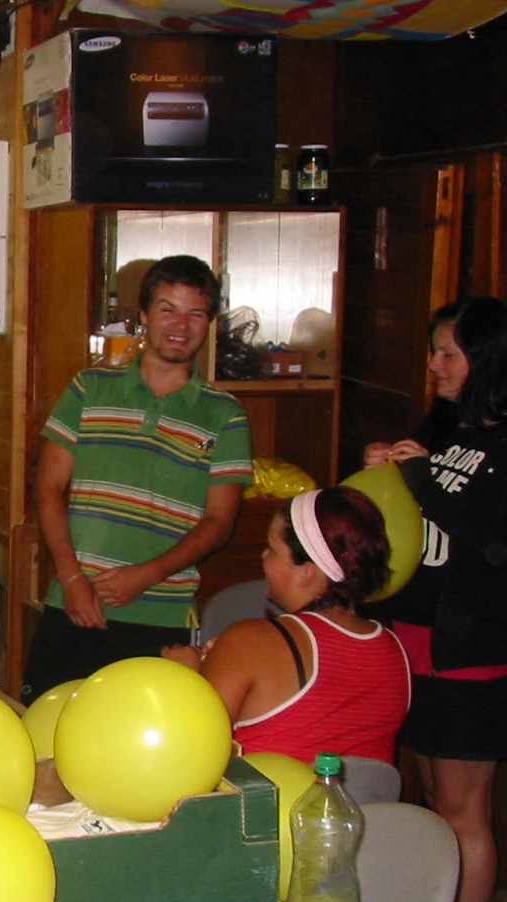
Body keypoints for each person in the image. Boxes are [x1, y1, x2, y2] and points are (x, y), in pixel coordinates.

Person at [22, 255, 252, 702]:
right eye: (168, 310)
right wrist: (72, 580)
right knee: (44, 726)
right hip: (73, 603)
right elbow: (47, 487)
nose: (180, 326)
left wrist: (148, 575)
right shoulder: (89, 387)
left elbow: (220, 522)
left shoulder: (226, 415)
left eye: (195, 314)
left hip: (160, 618)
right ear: (144, 315)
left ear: (209, 323)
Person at [363, 295, 507, 902]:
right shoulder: (446, 427)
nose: (434, 365)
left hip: (470, 653)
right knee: (430, 803)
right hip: (415, 643)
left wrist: (419, 477)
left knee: (462, 811)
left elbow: (488, 536)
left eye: (448, 353)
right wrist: (383, 471)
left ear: (486, 360)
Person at [163, 488, 409, 763]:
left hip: (277, 792)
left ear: (307, 573)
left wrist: (185, 678)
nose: (263, 556)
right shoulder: (395, 649)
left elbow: (187, 751)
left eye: (272, 549)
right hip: (359, 793)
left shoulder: (252, 640)